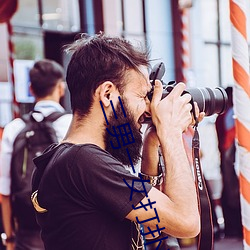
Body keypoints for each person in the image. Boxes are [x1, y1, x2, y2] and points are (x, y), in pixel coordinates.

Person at [31, 33, 202, 250]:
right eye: (142, 96)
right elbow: (186, 222)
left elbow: (154, 224)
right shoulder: (84, 163)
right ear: (107, 93)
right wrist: (172, 133)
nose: (149, 108)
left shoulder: (68, 158)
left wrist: (152, 143)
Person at [0, 59, 72, 250]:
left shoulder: (14, 128)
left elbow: (5, 191)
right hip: (67, 230)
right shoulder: (71, 124)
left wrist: (9, 239)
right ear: (60, 88)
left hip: (27, 233)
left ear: (31, 89)